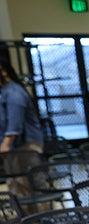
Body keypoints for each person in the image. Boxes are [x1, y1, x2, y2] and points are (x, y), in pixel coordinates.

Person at [0, 59, 44, 199]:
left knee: (30, 184)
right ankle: (26, 219)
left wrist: (6, 144)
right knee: (16, 185)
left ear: (4, 71)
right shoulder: (3, 91)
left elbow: (15, 123)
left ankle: (43, 218)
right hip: (14, 147)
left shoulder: (14, 92)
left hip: (25, 146)